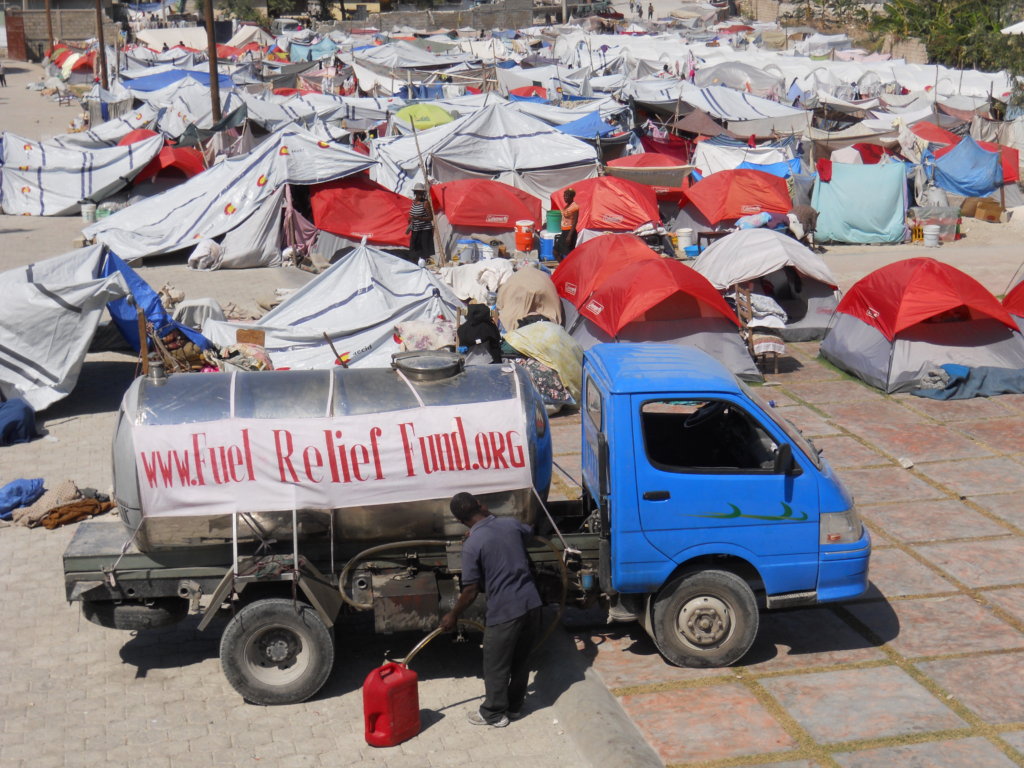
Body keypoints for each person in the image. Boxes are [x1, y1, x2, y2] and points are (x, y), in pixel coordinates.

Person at [440, 492, 543, 728]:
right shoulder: (510, 524)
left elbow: (471, 591)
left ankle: (494, 714)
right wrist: (490, 519)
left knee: (495, 664)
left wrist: (453, 615)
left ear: (459, 520)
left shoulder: (471, 545)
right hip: (532, 604)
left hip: (505, 611)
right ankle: (515, 707)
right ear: (480, 504)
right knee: (521, 659)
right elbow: (531, 531)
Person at [407, 182, 435, 263]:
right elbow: (412, 213)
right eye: (418, 192)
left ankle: (423, 264)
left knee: (424, 250)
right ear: (415, 193)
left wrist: (418, 218)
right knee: (414, 249)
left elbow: (430, 218)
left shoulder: (425, 203)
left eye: (421, 192)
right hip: (415, 229)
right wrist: (410, 219)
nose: (420, 194)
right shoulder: (414, 202)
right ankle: (415, 263)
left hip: (424, 230)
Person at [554, 187, 579, 261]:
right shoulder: (566, 206)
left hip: (569, 232)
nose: (565, 198)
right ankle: (563, 267)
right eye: (564, 196)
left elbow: (575, 222)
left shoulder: (574, 207)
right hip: (564, 232)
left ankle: (569, 268)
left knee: (568, 254)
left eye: (567, 196)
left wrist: (569, 236)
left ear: (571, 197)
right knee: (556, 251)